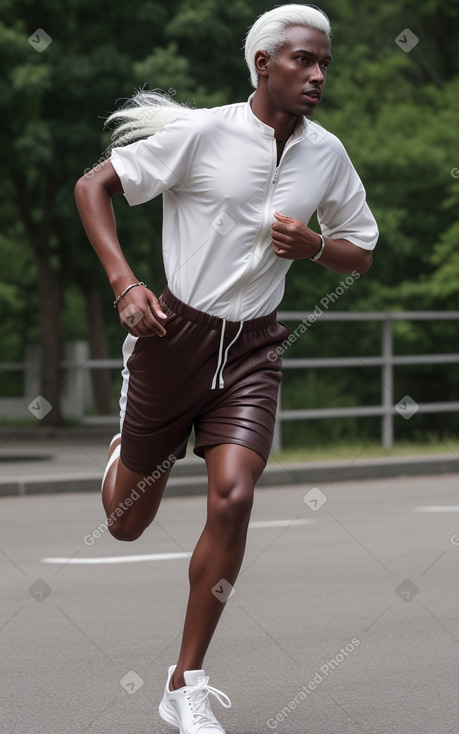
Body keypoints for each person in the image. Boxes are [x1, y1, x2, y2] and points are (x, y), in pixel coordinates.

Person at [74, 4, 378, 732]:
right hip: (172, 337)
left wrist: (312, 249)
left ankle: (185, 682)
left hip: (252, 348)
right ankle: (126, 453)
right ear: (262, 64)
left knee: (234, 495)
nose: (316, 75)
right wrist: (125, 284)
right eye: (303, 60)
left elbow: (359, 250)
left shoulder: (326, 154)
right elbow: (93, 187)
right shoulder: (202, 134)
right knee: (124, 523)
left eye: (324, 63)